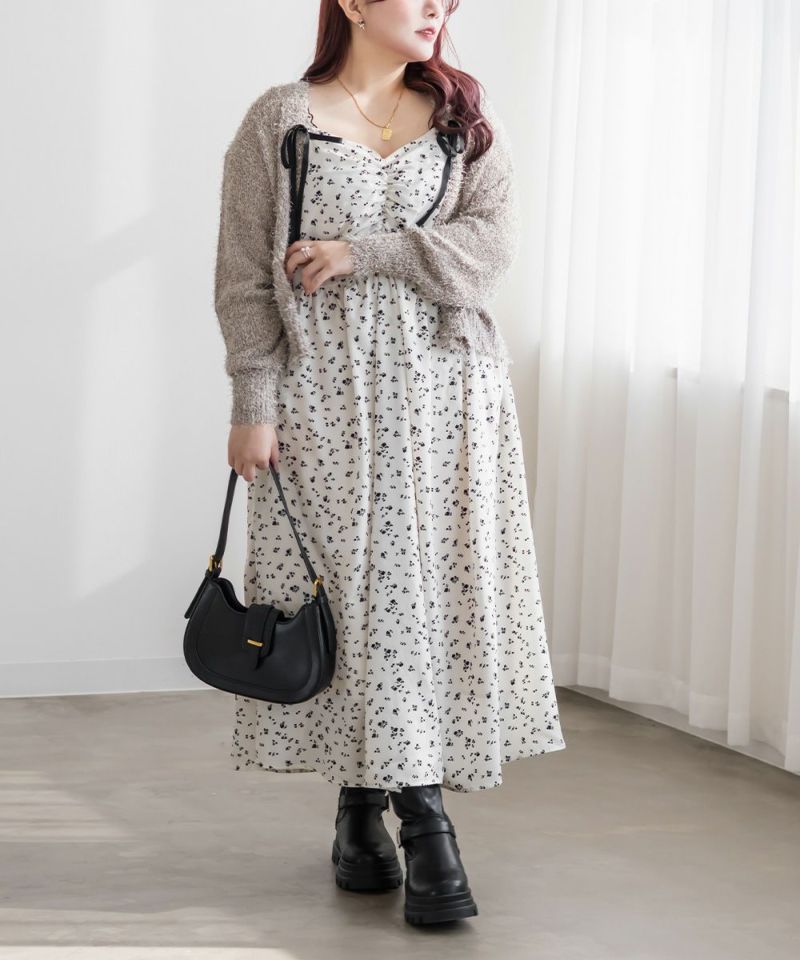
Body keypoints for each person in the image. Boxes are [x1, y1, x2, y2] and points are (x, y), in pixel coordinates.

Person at [214, 0, 566, 926]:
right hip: (321, 397)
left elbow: (491, 249)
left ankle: (401, 811)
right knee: (350, 600)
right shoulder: (279, 120)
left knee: (422, 600)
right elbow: (244, 276)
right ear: (356, 3)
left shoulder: (464, 116)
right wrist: (253, 402)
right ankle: (382, 808)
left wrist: (360, 253)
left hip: (449, 399)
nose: (441, 8)